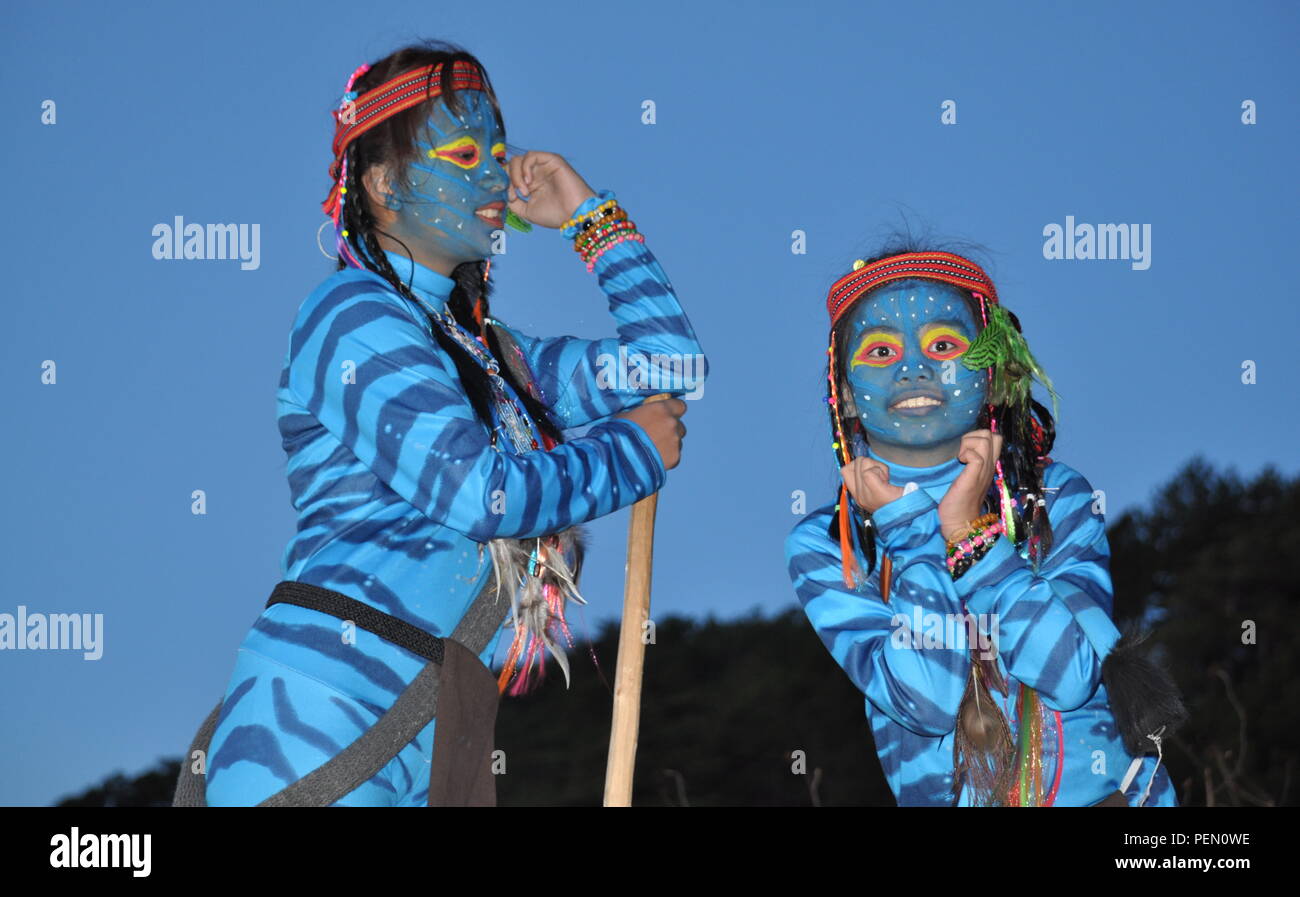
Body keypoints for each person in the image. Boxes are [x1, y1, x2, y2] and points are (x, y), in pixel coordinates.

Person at [199, 41, 704, 806]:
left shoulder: (495, 357)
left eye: (499, 154)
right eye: (465, 153)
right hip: (314, 721)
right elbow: (476, 493)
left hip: (438, 730)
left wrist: (586, 213)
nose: (496, 176)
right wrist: (631, 450)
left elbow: (674, 368)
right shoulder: (350, 315)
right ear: (381, 182)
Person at [784, 245, 1180, 806]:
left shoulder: (1054, 497)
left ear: (992, 377)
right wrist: (913, 532)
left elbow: (1069, 675)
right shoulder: (831, 547)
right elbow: (928, 699)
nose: (913, 367)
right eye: (879, 350)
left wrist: (975, 539)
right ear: (845, 392)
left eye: (944, 344)